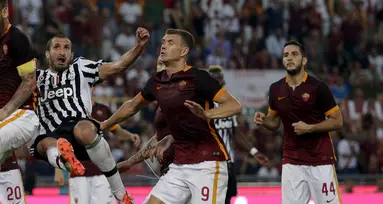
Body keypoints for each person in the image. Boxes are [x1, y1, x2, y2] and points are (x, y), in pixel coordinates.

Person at [102, 28, 242, 204]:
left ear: (184, 52)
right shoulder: (156, 81)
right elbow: (131, 107)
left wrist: (206, 114)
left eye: (170, 43)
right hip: (179, 164)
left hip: (208, 163)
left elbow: (234, 105)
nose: (164, 46)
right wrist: (104, 125)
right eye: (163, 42)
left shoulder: (198, 78)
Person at [30, 28, 150, 204]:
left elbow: (118, 66)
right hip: (50, 134)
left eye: (66, 48)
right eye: (56, 47)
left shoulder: (81, 67)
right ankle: (67, 163)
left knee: (84, 130)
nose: (62, 51)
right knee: (45, 142)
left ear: (71, 54)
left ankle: (120, 192)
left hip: (77, 127)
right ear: (47, 54)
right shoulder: (35, 79)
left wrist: (138, 47)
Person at [254, 40, 343, 204]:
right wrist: (264, 120)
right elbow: (274, 123)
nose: (290, 58)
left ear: (304, 60)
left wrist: (310, 128)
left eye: (295, 54)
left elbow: (338, 121)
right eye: (286, 55)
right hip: (291, 160)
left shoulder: (318, 87)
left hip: (320, 160)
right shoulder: (275, 89)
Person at [117, 59, 183, 204]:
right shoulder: (162, 103)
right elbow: (157, 139)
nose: (160, 69)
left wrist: (171, 138)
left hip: (187, 170)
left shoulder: (185, 95)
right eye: (158, 65)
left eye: (164, 65)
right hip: (171, 172)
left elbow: (196, 129)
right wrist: (130, 162)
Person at [54, 100, 141, 204]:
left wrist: (130, 136)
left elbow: (117, 131)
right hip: (78, 172)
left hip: (102, 172)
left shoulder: (103, 109)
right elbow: (59, 140)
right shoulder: (68, 108)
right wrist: (57, 168)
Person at [208, 65, 269, 204]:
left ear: (223, 82)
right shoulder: (204, 105)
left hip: (229, 162)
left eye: (220, 79)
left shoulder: (230, 104)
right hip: (210, 164)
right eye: (214, 80)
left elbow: (235, 133)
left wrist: (253, 151)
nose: (218, 82)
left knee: (227, 199)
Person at [0, 0, 39, 204]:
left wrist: (5, 111)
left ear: (4, 11)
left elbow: (29, 81)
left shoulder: (18, 39)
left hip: (22, 114)